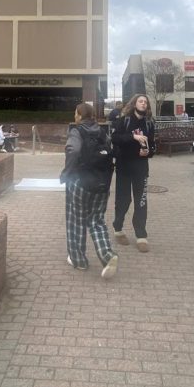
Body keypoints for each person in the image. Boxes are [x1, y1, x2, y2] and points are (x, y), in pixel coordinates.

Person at [60, 103, 118, 279]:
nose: (75, 116)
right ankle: (108, 256)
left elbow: (74, 150)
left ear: (79, 115)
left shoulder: (77, 131)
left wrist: (66, 173)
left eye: (75, 113)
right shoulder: (102, 131)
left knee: (76, 220)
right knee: (96, 220)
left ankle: (79, 260)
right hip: (102, 184)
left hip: (80, 182)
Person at [111, 94, 155, 253]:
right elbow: (114, 138)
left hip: (141, 168)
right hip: (124, 167)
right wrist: (133, 137)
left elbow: (153, 145)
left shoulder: (150, 123)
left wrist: (148, 152)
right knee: (123, 200)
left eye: (145, 102)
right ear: (134, 103)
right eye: (140, 101)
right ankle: (118, 228)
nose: (143, 104)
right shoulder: (124, 120)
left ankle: (141, 235)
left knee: (141, 201)